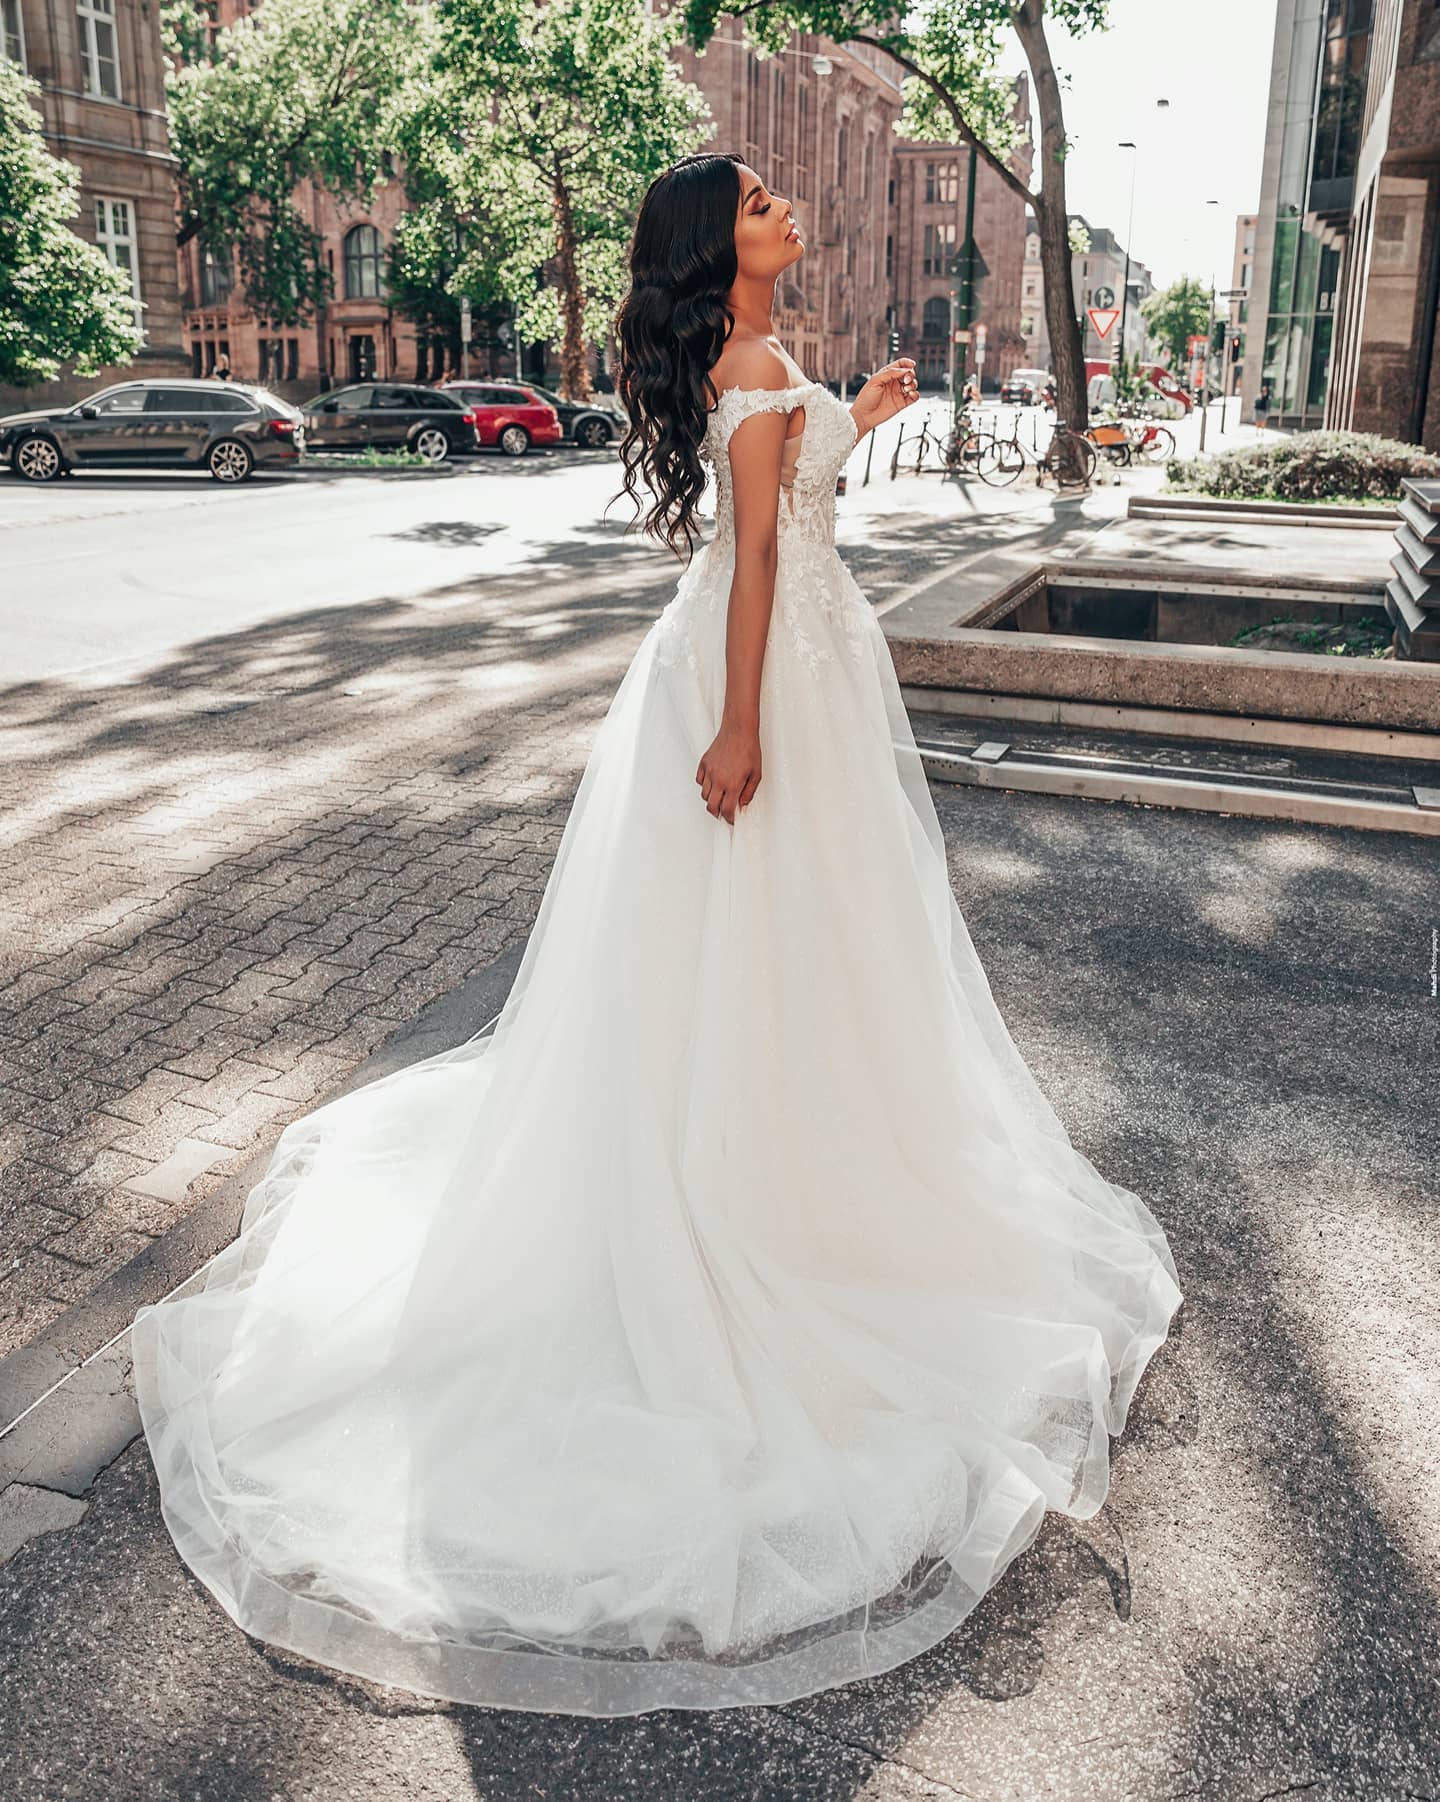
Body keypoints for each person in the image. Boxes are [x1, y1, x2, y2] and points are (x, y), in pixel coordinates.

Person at [131, 152, 1183, 1720]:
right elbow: (758, 554)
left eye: (779, 199)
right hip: (761, 684)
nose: (786, 212)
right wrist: (743, 726)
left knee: (803, 957)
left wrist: (864, 415)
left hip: (790, 668)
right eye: (760, 206)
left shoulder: (760, 360)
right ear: (717, 249)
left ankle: (783, 1162)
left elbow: (787, 491)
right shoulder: (749, 362)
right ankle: (736, 1198)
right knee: (762, 948)